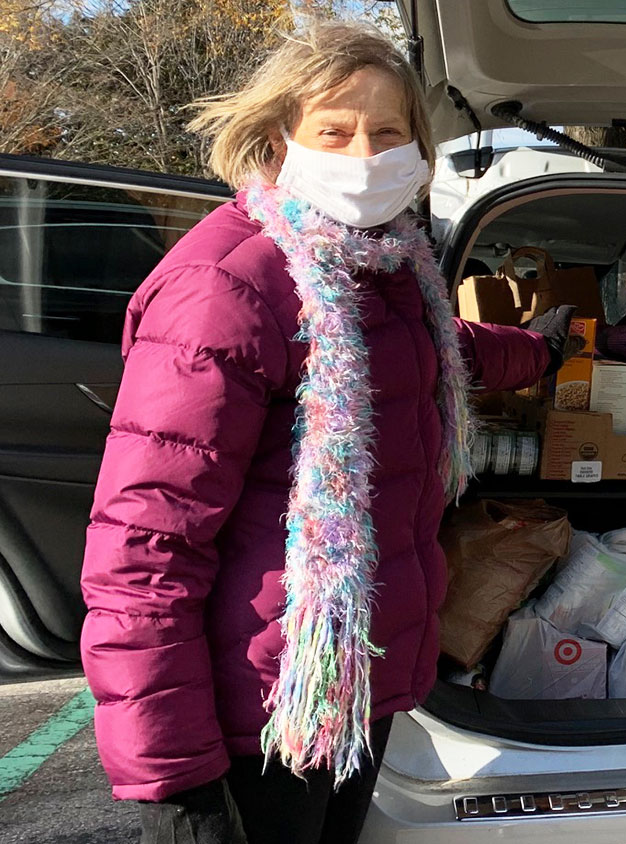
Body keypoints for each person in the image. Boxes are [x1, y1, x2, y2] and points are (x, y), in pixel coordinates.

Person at [78, 22, 574, 844]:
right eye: (335, 132)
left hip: (361, 677)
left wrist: (541, 350)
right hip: (265, 705)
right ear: (278, 140)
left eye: (388, 134)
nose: (364, 154)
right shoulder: (228, 287)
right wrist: (174, 780)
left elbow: (440, 351)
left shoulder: (387, 266)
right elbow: (143, 548)